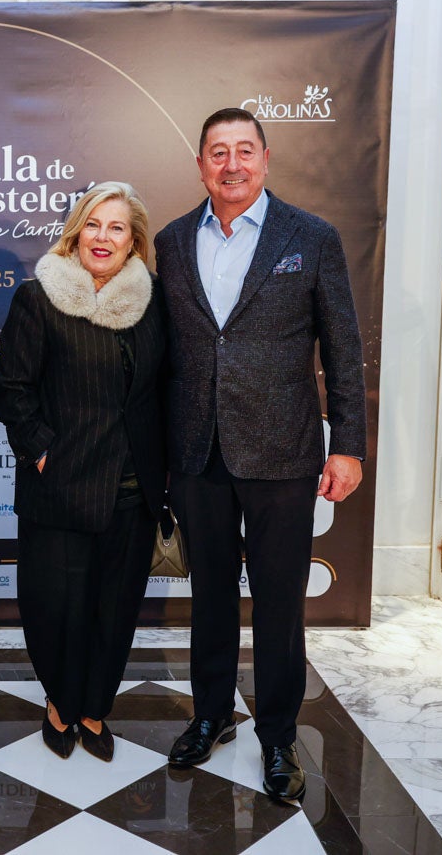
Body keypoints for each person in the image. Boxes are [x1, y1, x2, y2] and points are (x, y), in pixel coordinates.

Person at [154, 108, 366, 801]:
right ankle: (211, 713)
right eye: (217, 152)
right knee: (209, 595)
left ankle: (277, 735)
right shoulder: (171, 240)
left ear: (266, 159)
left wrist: (350, 446)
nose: (231, 164)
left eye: (244, 150)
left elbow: (341, 348)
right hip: (197, 450)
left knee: (278, 602)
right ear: (200, 165)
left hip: (283, 453)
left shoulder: (310, 237)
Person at [0, 182, 166, 763]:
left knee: (115, 607)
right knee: (55, 604)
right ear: (76, 232)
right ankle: (61, 702)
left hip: (132, 487)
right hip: (60, 483)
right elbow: (13, 389)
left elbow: (163, 389)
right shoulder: (39, 298)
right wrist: (42, 451)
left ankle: (95, 706)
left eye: (117, 228)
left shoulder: (153, 300)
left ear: (133, 242)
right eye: (94, 224)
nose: (104, 237)